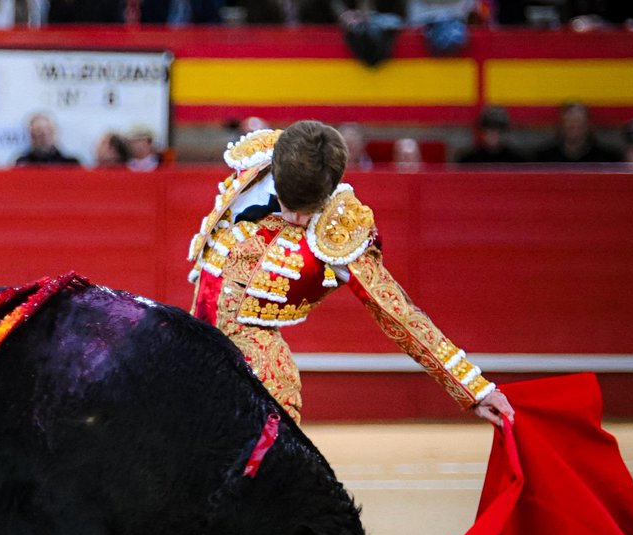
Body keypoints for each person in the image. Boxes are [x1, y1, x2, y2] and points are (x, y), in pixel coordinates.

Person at [186, 121, 513, 427]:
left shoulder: (341, 226)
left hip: (258, 365)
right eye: (292, 204)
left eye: (308, 208)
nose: (298, 220)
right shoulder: (255, 164)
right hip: (192, 344)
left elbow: (396, 311)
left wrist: (474, 387)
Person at [531, 102, 621, 164]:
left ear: (588, 124)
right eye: (569, 121)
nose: (574, 125)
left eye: (579, 121)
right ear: (561, 124)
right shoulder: (543, 159)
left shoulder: (607, 159)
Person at [456, 105, 525, 164]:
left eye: (499, 130)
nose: (494, 134)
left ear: (506, 132)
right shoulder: (468, 161)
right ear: (481, 131)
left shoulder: (517, 161)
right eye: (489, 130)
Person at [14, 113, 79, 166]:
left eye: (48, 129)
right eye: (39, 130)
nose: (44, 134)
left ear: (55, 132)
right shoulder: (23, 164)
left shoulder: (71, 164)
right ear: (31, 135)